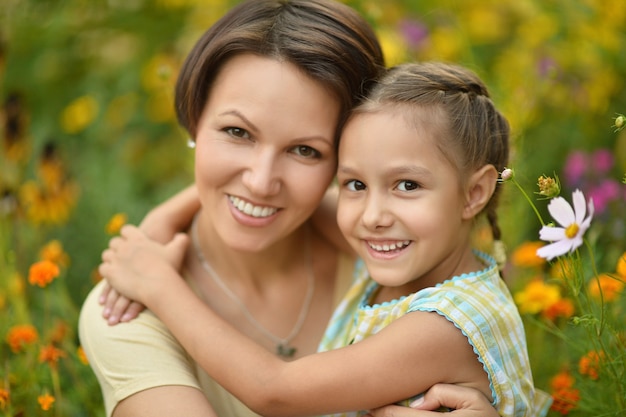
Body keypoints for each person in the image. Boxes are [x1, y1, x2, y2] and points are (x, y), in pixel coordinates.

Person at [79, 1, 500, 416]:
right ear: (193, 118)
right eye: (237, 131)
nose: (261, 182)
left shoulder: (382, 247)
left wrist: (159, 269)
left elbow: (274, 391)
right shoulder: (125, 314)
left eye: (305, 150)